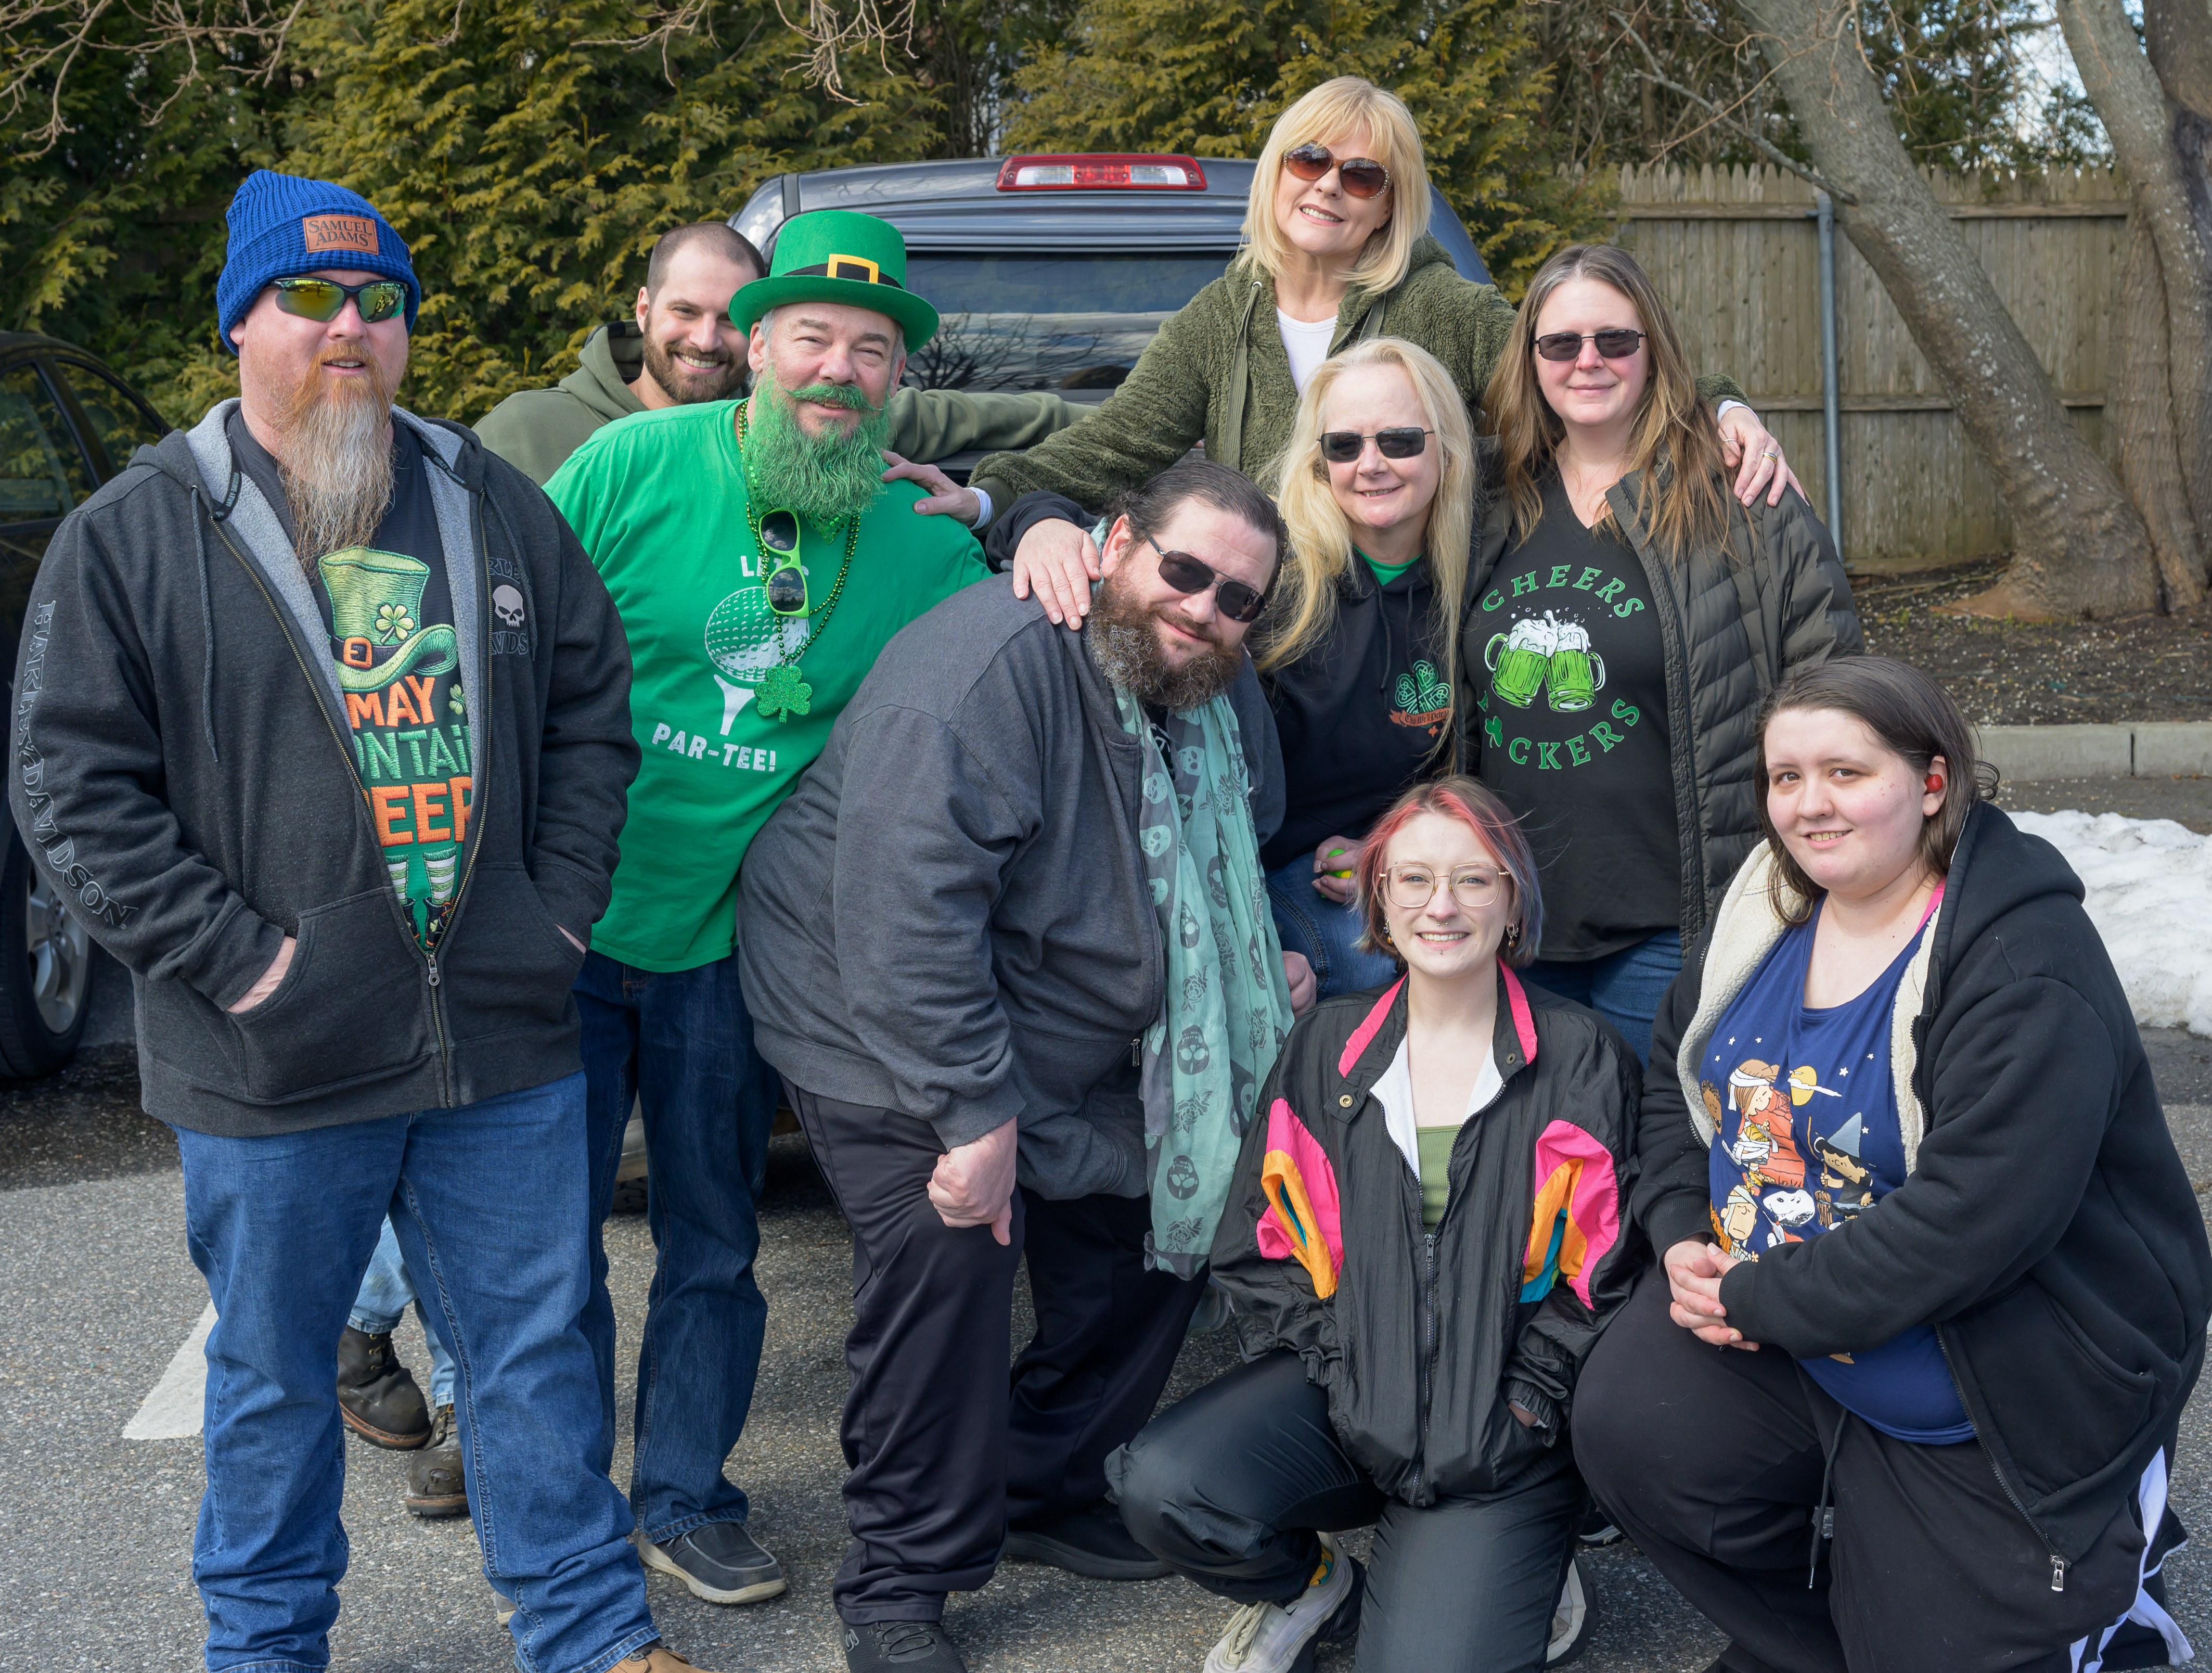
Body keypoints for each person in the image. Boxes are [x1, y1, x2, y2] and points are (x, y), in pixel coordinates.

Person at [6, 168, 713, 1672]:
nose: (348, 329)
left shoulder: (488, 498)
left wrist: (557, 911)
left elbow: (594, 711)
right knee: (268, 1373)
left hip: (501, 1036)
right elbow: (68, 788)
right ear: (239, 326)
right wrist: (246, 959)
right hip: (274, 1056)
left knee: (534, 1350)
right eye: (309, 299)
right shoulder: (136, 531)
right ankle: (265, 1645)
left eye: (379, 303)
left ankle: (588, 1630)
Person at [737, 459, 1316, 1673]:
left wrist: (1268, 968)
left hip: (1074, 1021)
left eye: (1237, 598)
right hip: (875, 1011)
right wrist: (970, 1114)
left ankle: (1037, 1486)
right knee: (954, 1242)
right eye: (1185, 569)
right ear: (1115, 545)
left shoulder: (1220, 694)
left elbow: (1238, 859)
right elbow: (907, 914)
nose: (1204, 607)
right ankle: (899, 1579)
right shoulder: (989, 670)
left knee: (1177, 1201)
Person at [1572, 657, 2212, 1673]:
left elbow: (1974, 1222)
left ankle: (2102, 1607)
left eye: (1843, 770)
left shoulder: (2020, 958)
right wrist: (1680, 1232)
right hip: (1785, 1310)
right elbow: (1672, 1082)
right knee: (1629, 1428)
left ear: (1928, 780)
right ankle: (1824, 1636)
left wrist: (1749, 1295)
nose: (1806, 803)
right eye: (1783, 777)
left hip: (1984, 1370)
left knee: (1947, 1645)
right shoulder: (1762, 907)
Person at [539, 208, 993, 1610]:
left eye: (871, 347)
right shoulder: (626, 464)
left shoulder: (921, 536)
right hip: (566, 926)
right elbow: (510, 651)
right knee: (539, 1246)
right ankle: (552, 1505)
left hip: (737, 952)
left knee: (714, 1236)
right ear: (753, 342)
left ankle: (683, 1491)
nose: (838, 369)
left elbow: (1018, 677)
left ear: (898, 376)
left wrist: (1023, 523)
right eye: (811, 335)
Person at [909, 75, 1794, 627]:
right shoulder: (1222, 316)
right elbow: (1114, 444)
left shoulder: (1438, 307)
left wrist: (1719, 406)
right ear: (1277, 173)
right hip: (1257, 635)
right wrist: (989, 493)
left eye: (1362, 176)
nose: (1329, 184)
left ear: (1385, 207)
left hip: (1406, 640)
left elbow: (1575, 372)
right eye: (1309, 159)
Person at [1110, 775, 1638, 1672]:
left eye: (1474, 880)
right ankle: (1319, 1587)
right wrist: (1341, 1370)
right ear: (1380, 905)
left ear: (1512, 901)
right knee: (1162, 1486)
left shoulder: (1583, 1057)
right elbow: (1260, 1248)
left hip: (1501, 1436)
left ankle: (1527, 1565)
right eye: (1413, 881)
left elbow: (1613, 1274)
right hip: (1352, 1402)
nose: (1442, 905)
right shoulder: (1323, 1050)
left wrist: (1526, 1404)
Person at [1464, 242, 1862, 1065]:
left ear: (1656, 351)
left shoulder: (1742, 499)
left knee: (1662, 1165)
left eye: (1616, 340)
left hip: (1673, 927)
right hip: (1510, 927)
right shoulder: (1484, 503)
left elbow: (1838, 699)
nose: (1588, 362)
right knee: (1542, 1180)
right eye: (1561, 343)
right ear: (1530, 357)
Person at [986, 336, 1474, 1002]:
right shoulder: (1262, 581)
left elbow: (1469, 766)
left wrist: (1395, 845)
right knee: (1366, 962)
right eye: (1343, 446)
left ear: (1444, 447)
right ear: (1316, 460)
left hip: (1382, 864)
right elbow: (1133, 543)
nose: (1371, 465)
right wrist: (1041, 525)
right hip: (1245, 868)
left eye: (1398, 440)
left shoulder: (1475, 581)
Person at [472, 219, 1085, 495]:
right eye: (685, 312)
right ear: (643, 309)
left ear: (758, 337)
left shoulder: (791, 421)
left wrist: (1108, 422)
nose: (707, 341)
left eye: (728, 320)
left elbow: (953, 416)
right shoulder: (528, 429)